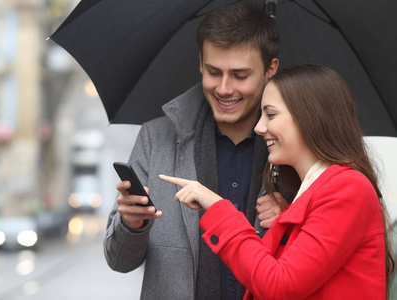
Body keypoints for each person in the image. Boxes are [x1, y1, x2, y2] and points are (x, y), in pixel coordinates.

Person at [160, 64, 395, 299]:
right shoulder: (314, 192)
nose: (259, 127)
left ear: (310, 117)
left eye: (270, 114)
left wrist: (219, 209)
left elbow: (279, 285)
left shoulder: (347, 188)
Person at [104, 2, 289, 299]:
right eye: (214, 72)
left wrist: (291, 220)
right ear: (201, 63)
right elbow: (118, 261)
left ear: (270, 70)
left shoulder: (296, 144)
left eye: (240, 76)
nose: (224, 89)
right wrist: (131, 224)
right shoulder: (156, 138)